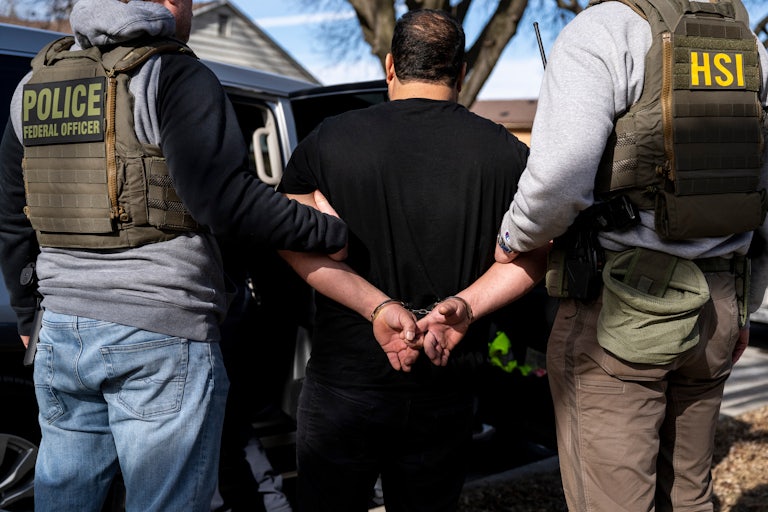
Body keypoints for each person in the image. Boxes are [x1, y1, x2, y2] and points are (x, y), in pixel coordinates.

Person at [0, 0, 347, 511]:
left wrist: (30, 312)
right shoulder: (173, 72)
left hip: (61, 332)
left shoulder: (34, 85)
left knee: (65, 500)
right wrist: (326, 231)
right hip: (158, 331)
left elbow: (11, 212)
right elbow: (224, 201)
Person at [493, 0, 768, 510]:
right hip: (719, 303)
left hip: (621, 309)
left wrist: (513, 238)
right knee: (689, 496)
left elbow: (557, 185)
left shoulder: (603, 30)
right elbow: (762, 194)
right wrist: (745, 302)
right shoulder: (750, 48)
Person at [277, 9, 546, 512]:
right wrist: (463, 305)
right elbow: (535, 255)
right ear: (461, 73)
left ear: (390, 66)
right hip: (447, 376)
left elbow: (287, 237)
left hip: (346, 382)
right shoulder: (508, 154)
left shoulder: (329, 140)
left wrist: (375, 304)